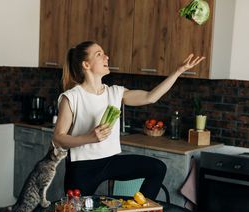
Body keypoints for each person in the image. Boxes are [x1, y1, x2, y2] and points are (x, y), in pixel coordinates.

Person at [53, 41, 205, 200]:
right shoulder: (71, 97)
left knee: (157, 169)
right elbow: (58, 138)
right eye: (99, 54)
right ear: (86, 64)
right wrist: (89, 138)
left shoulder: (115, 92)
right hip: (82, 166)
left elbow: (150, 97)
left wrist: (178, 71)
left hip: (110, 161)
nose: (107, 56)